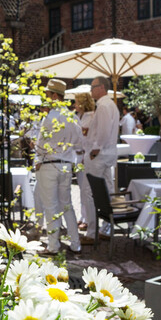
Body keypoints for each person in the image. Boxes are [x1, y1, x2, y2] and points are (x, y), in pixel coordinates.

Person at [35, 79, 82, 255]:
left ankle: (53, 246)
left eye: (47, 95)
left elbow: (40, 146)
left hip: (49, 165)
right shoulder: (73, 117)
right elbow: (79, 144)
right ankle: (75, 243)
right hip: (66, 165)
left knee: (51, 207)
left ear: (54, 96)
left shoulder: (50, 117)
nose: (46, 98)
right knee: (67, 205)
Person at [80, 76, 119, 245]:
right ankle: (106, 228)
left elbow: (102, 132)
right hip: (108, 154)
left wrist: (95, 150)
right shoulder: (111, 106)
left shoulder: (103, 105)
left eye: (92, 87)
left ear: (101, 88)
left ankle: (91, 231)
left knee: (89, 191)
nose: (90, 90)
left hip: (99, 155)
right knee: (107, 189)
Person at [74, 92, 95, 231]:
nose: (74, 105)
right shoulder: (79, 116)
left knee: (87, 190)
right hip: (78, 155)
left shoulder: (91, 117)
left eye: (76, 102)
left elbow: (85, 136)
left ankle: (88, 219)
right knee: (81, 189)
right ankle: (83, 216)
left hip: (86, 155)